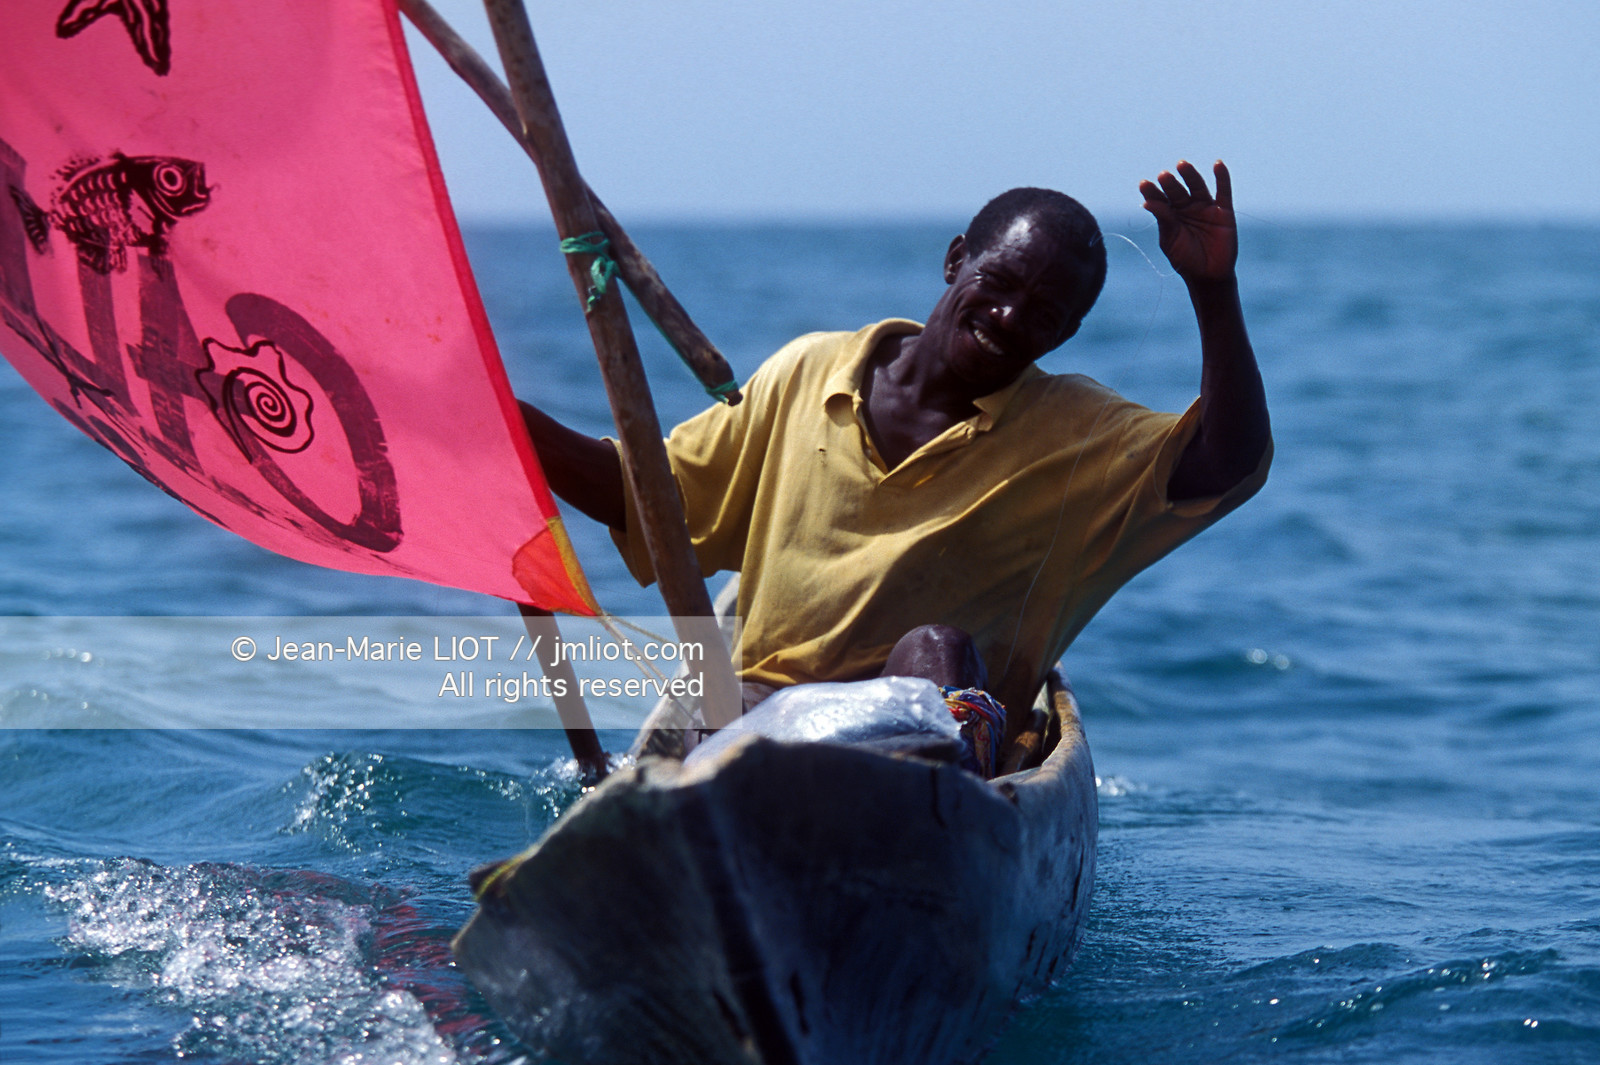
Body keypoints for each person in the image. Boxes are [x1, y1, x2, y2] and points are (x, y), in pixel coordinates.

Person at [523, 159, 1270, 754]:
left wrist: (1214, 289)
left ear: (1063, 336)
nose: (1010, 319)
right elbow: (643, 497)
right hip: (759, 718)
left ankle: (920, 803)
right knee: (713, 743)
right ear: (955, 261)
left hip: (925, 748)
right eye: (998, 283)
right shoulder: (811, 371)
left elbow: (1228, 463)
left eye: (1043, 315)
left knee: (936, 649)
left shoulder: (1077, 433)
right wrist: (509, 423)